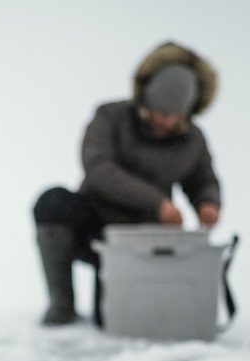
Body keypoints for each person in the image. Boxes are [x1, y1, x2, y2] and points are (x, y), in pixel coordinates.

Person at [32, 41, 221, 325]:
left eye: (176, 115)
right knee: (52, 202)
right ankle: (62, 306)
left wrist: (208, 203)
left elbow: (203, 178)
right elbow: (98, 168)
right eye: (162, 112)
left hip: (145, 238)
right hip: (95, 227)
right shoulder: (110, 117)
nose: (167, 121)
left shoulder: (192, 139)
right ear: (147, 99)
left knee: (115, 319)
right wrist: (157, 203)